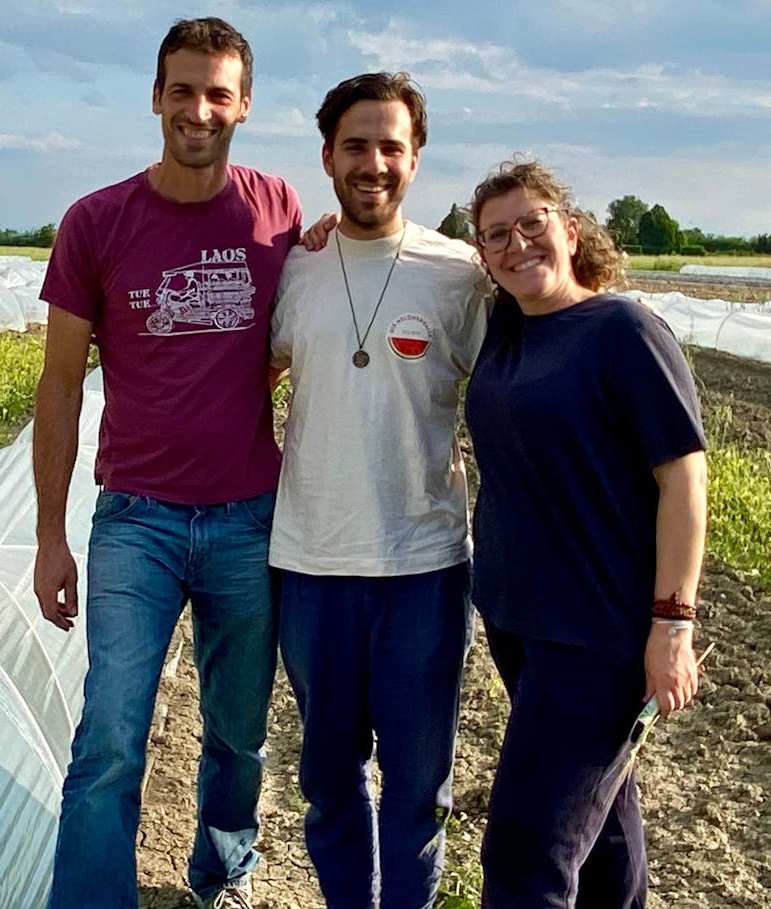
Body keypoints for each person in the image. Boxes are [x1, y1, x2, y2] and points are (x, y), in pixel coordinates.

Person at [31, 16, 302, 909]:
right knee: (111, 730)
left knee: (237, 732)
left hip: (247, 518)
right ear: (155, 98)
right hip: (137, 520)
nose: (199, 109)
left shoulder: (276, 211)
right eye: (182, 90)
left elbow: (303, 329)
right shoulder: (97, 222)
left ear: (245, 105)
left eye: (218, 92)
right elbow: (61, 386)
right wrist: (48, 537)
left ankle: (220, 879)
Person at [268, 72, 491, 909]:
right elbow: (249, 377)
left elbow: (516, 385)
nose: (374, 162)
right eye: (356, 145)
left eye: (391, 146)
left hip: (426, 568)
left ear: (416, 158)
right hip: (313, 564)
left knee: (418, 788)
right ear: (326, 156)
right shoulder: (295, 268)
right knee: (328, 781)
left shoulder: (461, 275)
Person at [463, 158, 708, 908]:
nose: (517, 244)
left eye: (532, 224)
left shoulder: (622, 330)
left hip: (594, 635)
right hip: (518, 621)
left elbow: (685, 478)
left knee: (525, 852)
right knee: (602, 826)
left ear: (569, 229)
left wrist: (672, 622)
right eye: (496, 235)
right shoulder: (505, 327)